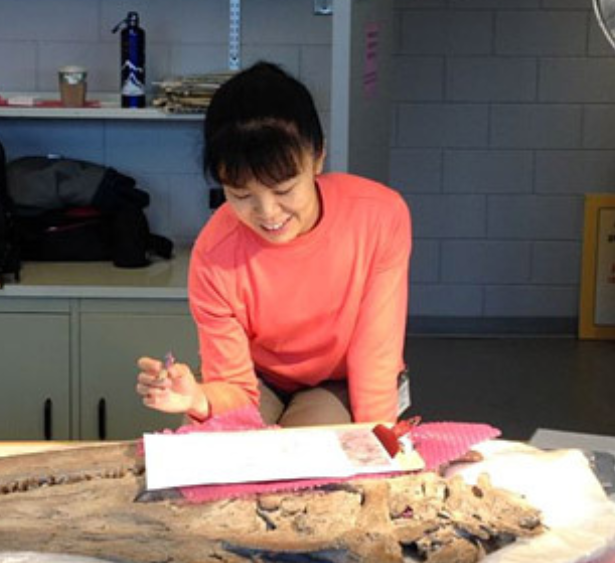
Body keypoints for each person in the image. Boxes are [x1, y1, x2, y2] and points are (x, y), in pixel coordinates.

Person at [136, 61, 412, 427]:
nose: (267, 213)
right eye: (240, 194)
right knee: (224, 459)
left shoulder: (379, 216)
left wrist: (382, 444)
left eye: (283, 190)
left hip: (340, 381)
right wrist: (198, 398)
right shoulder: (214, 254)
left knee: (313, 463)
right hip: (254, 379)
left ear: (317, 158)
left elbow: (374, 355)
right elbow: (234, 388)